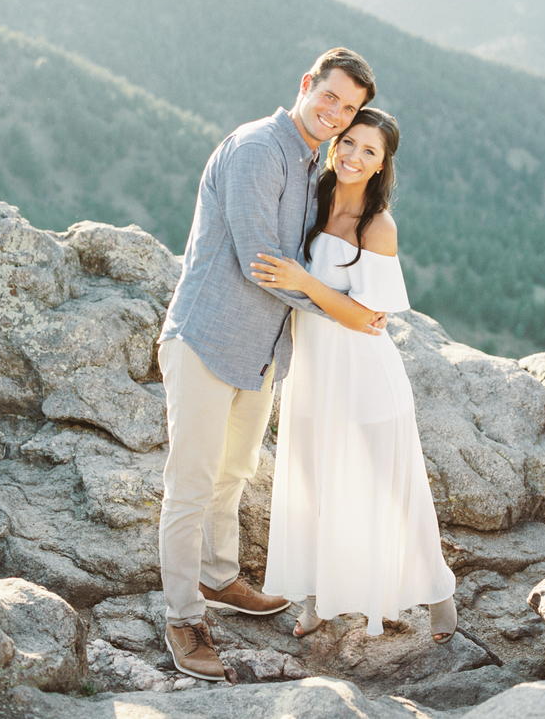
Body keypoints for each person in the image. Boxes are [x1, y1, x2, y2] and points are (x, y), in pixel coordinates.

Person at [157, 49, 384, 680]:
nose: (337, 114)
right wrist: (341, 309)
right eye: (330, 98)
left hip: (260, 349)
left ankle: (220, 576)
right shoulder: (260, 147)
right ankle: (182, 616)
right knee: (191, 484)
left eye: (351, 108)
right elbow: (264, 261)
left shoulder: (313, 158)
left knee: (234, 471)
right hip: (207, 337)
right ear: (307, 84)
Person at [252, 107, 457, 641]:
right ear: (335, 142)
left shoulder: (379, 225)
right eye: (349, 142)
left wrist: (305, 281)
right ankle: (317, 599)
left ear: (382, 165)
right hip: (313, 371)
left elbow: (369, 321)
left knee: (392, 487)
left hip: (365, 373)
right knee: (311, 484)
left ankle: (438, 595)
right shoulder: (311, 198)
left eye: (370, 151)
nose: (354, 156)